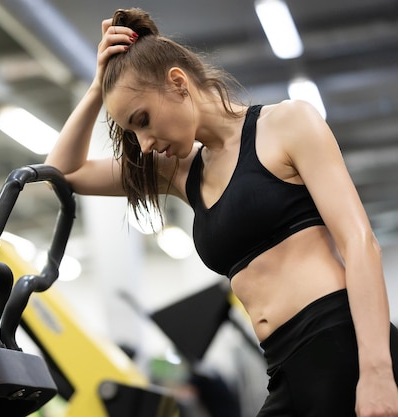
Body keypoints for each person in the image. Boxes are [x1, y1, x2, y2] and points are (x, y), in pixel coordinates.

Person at [44, 7, 398, 417]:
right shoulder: (179, 174)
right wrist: (96, 87)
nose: (142, 144)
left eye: (143, 120)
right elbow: (62, 173)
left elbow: (360, 242)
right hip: (283, 366)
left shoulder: (286, 124)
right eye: (131, 131)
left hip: (341, 345)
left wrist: (377, 371)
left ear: (178, 84)